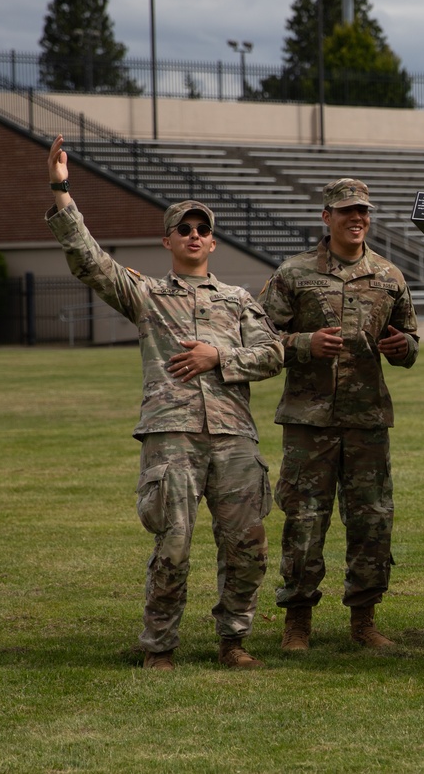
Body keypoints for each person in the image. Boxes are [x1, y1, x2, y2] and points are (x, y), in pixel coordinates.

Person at [44, 135, 285, 671]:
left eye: (203, 229)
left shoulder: (239, 300)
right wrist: (62, 190)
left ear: (213, 243)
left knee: (248, 546)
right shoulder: (147, 294)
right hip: (171, 435)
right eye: (185, 229)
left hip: (234, 437)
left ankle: (234, 640)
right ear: (168, 241)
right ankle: (160, 645)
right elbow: (89, 261)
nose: (195, 235)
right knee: (173, 546)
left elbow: (272, 355)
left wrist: (216, 357)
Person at [259, 178, 419, 652]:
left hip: (367, 420)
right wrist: (304, 344)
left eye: (363, 211)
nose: (356, 219)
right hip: (309, 422)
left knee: (372, 522)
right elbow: (258, 340)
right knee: (304, 521)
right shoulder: (293, 274)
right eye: (346, 211)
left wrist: (402, 347)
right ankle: (298, 622)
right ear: (326, 217)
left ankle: (364, 621)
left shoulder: (389, 276)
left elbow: (409, 342)